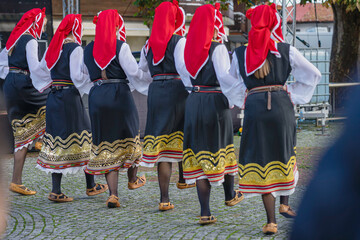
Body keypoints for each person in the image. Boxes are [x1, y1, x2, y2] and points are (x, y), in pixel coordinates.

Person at [230, 4, 321, 234]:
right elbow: (313, 74)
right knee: (284, 153)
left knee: (262, 158)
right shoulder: (285, 50)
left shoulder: (240, 52)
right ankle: (285, 203)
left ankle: (271, 221)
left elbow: (230, 82)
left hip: (255, 107)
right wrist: (292, 93)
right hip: (281, 105)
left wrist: (246, 98)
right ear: (273, 22)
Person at [34, 14, 108, 202]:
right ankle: (90, 186)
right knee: (85, 136)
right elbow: (76, 75)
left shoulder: (53, 48)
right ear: (75, 29)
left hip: (53, 97)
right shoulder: (74, 48)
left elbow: (42, 70)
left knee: (56, 139)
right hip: (68, 97)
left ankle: (55, 189)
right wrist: (91, 86)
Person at [182, 3, 245, 224]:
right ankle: (229, 195)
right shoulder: (217, 48)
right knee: (222, 146)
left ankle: (205, 212)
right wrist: (239, 96)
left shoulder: (186, 47)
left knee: (200, 154)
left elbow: (184, 76)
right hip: (214, 100)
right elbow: (225, 78)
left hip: (194, 100)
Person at [84, 9, 151, 208]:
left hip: (97, 96)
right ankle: (132, 180)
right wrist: (146, 79)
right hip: (119, 94)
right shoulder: (120, 46)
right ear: (114, 26)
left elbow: (82, 74)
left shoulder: (87, 49)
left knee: (105, 144)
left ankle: (113, 194)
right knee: (130, 136)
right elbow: (133, 72)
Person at [138, 0, 195, 212]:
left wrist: (152, 85)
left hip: (156, 92)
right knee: (181, 132)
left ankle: (164, 198)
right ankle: (183, 178)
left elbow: (141, 71)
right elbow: (184, 67)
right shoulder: (178, 41)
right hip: (176, 89)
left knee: (162, 146)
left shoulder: (147, 45)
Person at [0, 8, 50, 195]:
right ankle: (40, 139)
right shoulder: (30, 40)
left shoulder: (14, 39)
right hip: (24, 86)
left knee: (20, 135)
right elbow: (35, 68)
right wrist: (49, 76)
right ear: (36, 22)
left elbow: (0, 63)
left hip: (11, 86)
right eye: (43, 22)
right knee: (52, 104)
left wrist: (11, 76)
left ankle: (16, 181)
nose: (44, 25)